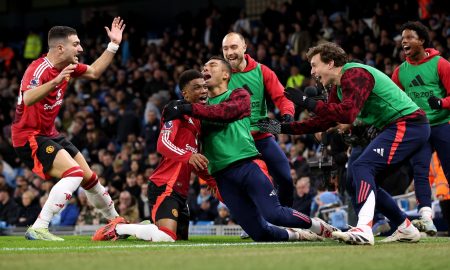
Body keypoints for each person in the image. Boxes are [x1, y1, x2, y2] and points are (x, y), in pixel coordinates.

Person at [257, 42, 429, 245]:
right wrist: (279, 128)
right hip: (398, 126)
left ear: (330, 63)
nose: (312, 72)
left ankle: (364, 229)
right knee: (358, 177)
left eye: (314, 65)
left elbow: (348, 114)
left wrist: (306, 101)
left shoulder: (354, 73)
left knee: (362, 166)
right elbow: (321, 122)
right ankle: (405, 227)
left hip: (408, 123)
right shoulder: (337, 89)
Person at [162, 56, 338, 242]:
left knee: (274, 214)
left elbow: (225, 113)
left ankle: (318, 226)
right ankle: (298, 235)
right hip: (222, 177)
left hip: (246, 166)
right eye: (204, 66)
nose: (205, 68)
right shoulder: (197, 108)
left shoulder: (239, 95)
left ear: (225, 75)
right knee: (259, 233)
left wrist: (187, 108)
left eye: (212, 65)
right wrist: (173, 109)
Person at [11, 17, 126, 241]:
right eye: (76, 44)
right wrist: (55, 82)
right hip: (29, 137)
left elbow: (93, 72)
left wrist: (113, 45)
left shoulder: (68, 67)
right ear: (60, 47)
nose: (81, 48)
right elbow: (28, 97)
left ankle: (115, 222)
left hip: (49, 133)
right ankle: (39, 227)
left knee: (89, 178)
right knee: (73, 173)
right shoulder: (38, 69)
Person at [93, 69, 211, 242]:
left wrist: (209, 179)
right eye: (197, 87)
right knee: (166, 238)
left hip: (181, 190)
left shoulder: (198, 121)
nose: (203, 91)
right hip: (164, 185)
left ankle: (145, 226)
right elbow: (162, 144)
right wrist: (188, 157)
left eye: (204, 87)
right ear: (185, 93)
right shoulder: (176, 113)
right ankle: (119, 227)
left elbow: (194, 157)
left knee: (179, 241)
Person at [222, 32, 295, 207]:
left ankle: (287, 220)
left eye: (233, 47)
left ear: (244, 47)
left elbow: (282, 96)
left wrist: (287, 114)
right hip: (235, 140)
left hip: (262, 134)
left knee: (285, 178)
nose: (229, 52)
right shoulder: (220, 74)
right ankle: (257, 224)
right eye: (225, 48)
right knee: (248, 186)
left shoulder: (261, 71)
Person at [392, 21, 450, 235]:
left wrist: (442, 103)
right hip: (419, 128)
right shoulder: (399, 72)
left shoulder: (441, 64)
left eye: (409, 37)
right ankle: (426, 218)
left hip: (443, 124)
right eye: (402, 38)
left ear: (422, 40)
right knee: (420, 171)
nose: (404, 41)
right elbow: (393, 101)